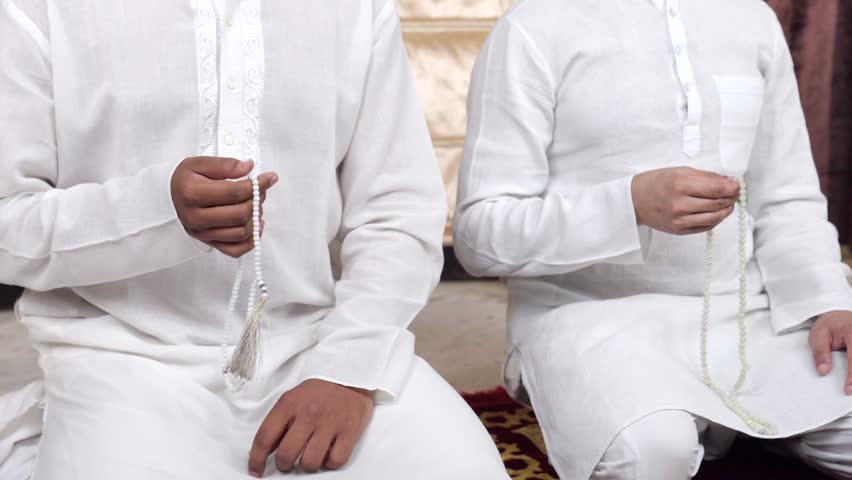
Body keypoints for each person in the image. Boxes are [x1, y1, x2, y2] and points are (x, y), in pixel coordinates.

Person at [0, 0, 509, 478]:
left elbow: (396, 209)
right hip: (118, 357)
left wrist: (348, 368)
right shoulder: (38, 9)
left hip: (312, 343)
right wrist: (155, 211)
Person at [453, 0, 852, 478]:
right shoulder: (534, 26)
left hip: (747, 320)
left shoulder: (751, 18)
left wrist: (827, 300)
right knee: (650, 454)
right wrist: (629, 206)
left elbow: (785, 195)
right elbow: (480, 234)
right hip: (587, 323)